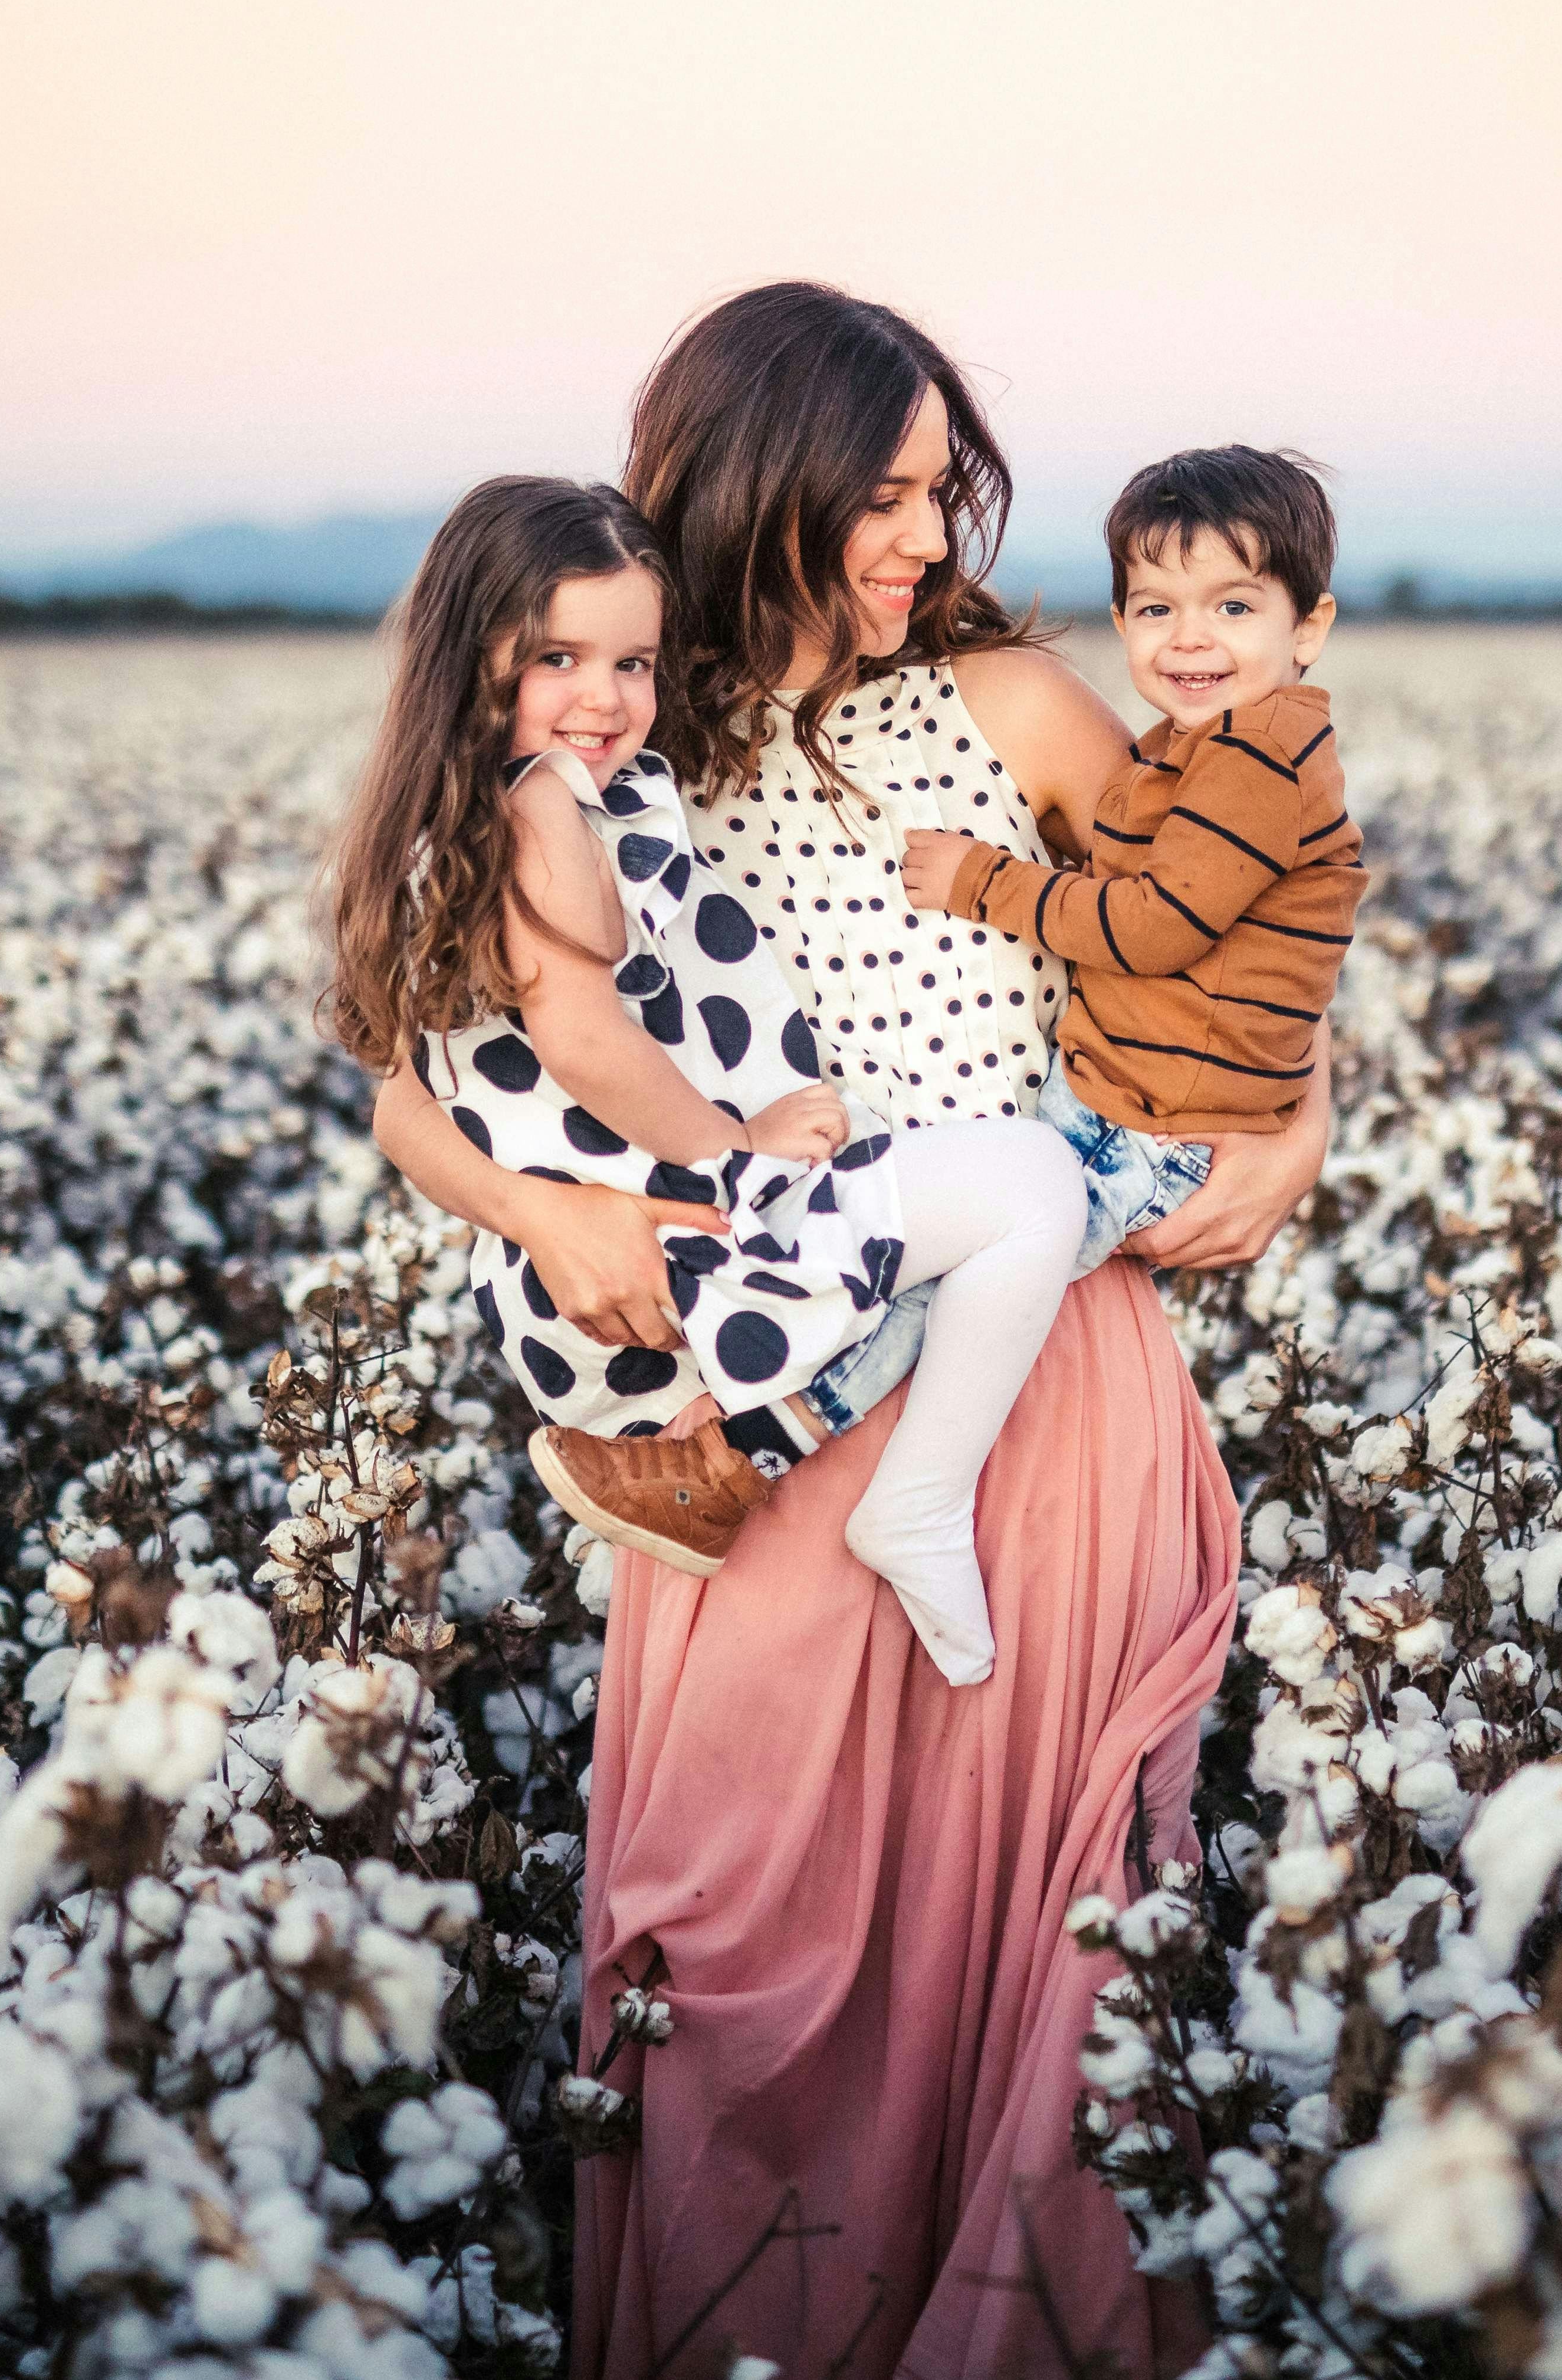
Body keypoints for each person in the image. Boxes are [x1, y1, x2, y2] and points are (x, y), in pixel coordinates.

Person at [367, 283, 1328, 2378]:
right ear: (760, 485)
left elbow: (1249, 915)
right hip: (759, 1410)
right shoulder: (610, 708)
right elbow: (411, 1077)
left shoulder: (1005, 698)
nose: (920, 536)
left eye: (933, 491)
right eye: (878, 495)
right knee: (734, 1954)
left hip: (1043, 1393)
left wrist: (1301, 1110)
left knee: (1037, 1953)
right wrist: (549, 1207)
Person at [316, 473, 1087, 1687]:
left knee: (976, 1217)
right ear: (470, 660)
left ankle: (750, 1458)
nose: (606, 698)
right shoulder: (536, 815)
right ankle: (912, 1502)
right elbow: (580, 1037)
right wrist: (739, 1142)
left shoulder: (481, 813)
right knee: (1038, 1187)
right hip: (699, 1223)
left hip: (662, 1237)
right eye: (558, 657)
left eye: (633, 663)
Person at [892, 444, 1366, 1309]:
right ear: (1121, 623)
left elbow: (1155, 925)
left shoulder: (1254, 756)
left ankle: (769, 1436)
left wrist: (981, 881)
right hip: (1127, 1105)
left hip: (1144, 1120)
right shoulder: (1202, 750)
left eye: (1232, 604)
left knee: (953, 1286)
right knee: (956, 1276)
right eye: (1156, 607)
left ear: (1309, 626)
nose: (1189, 636)